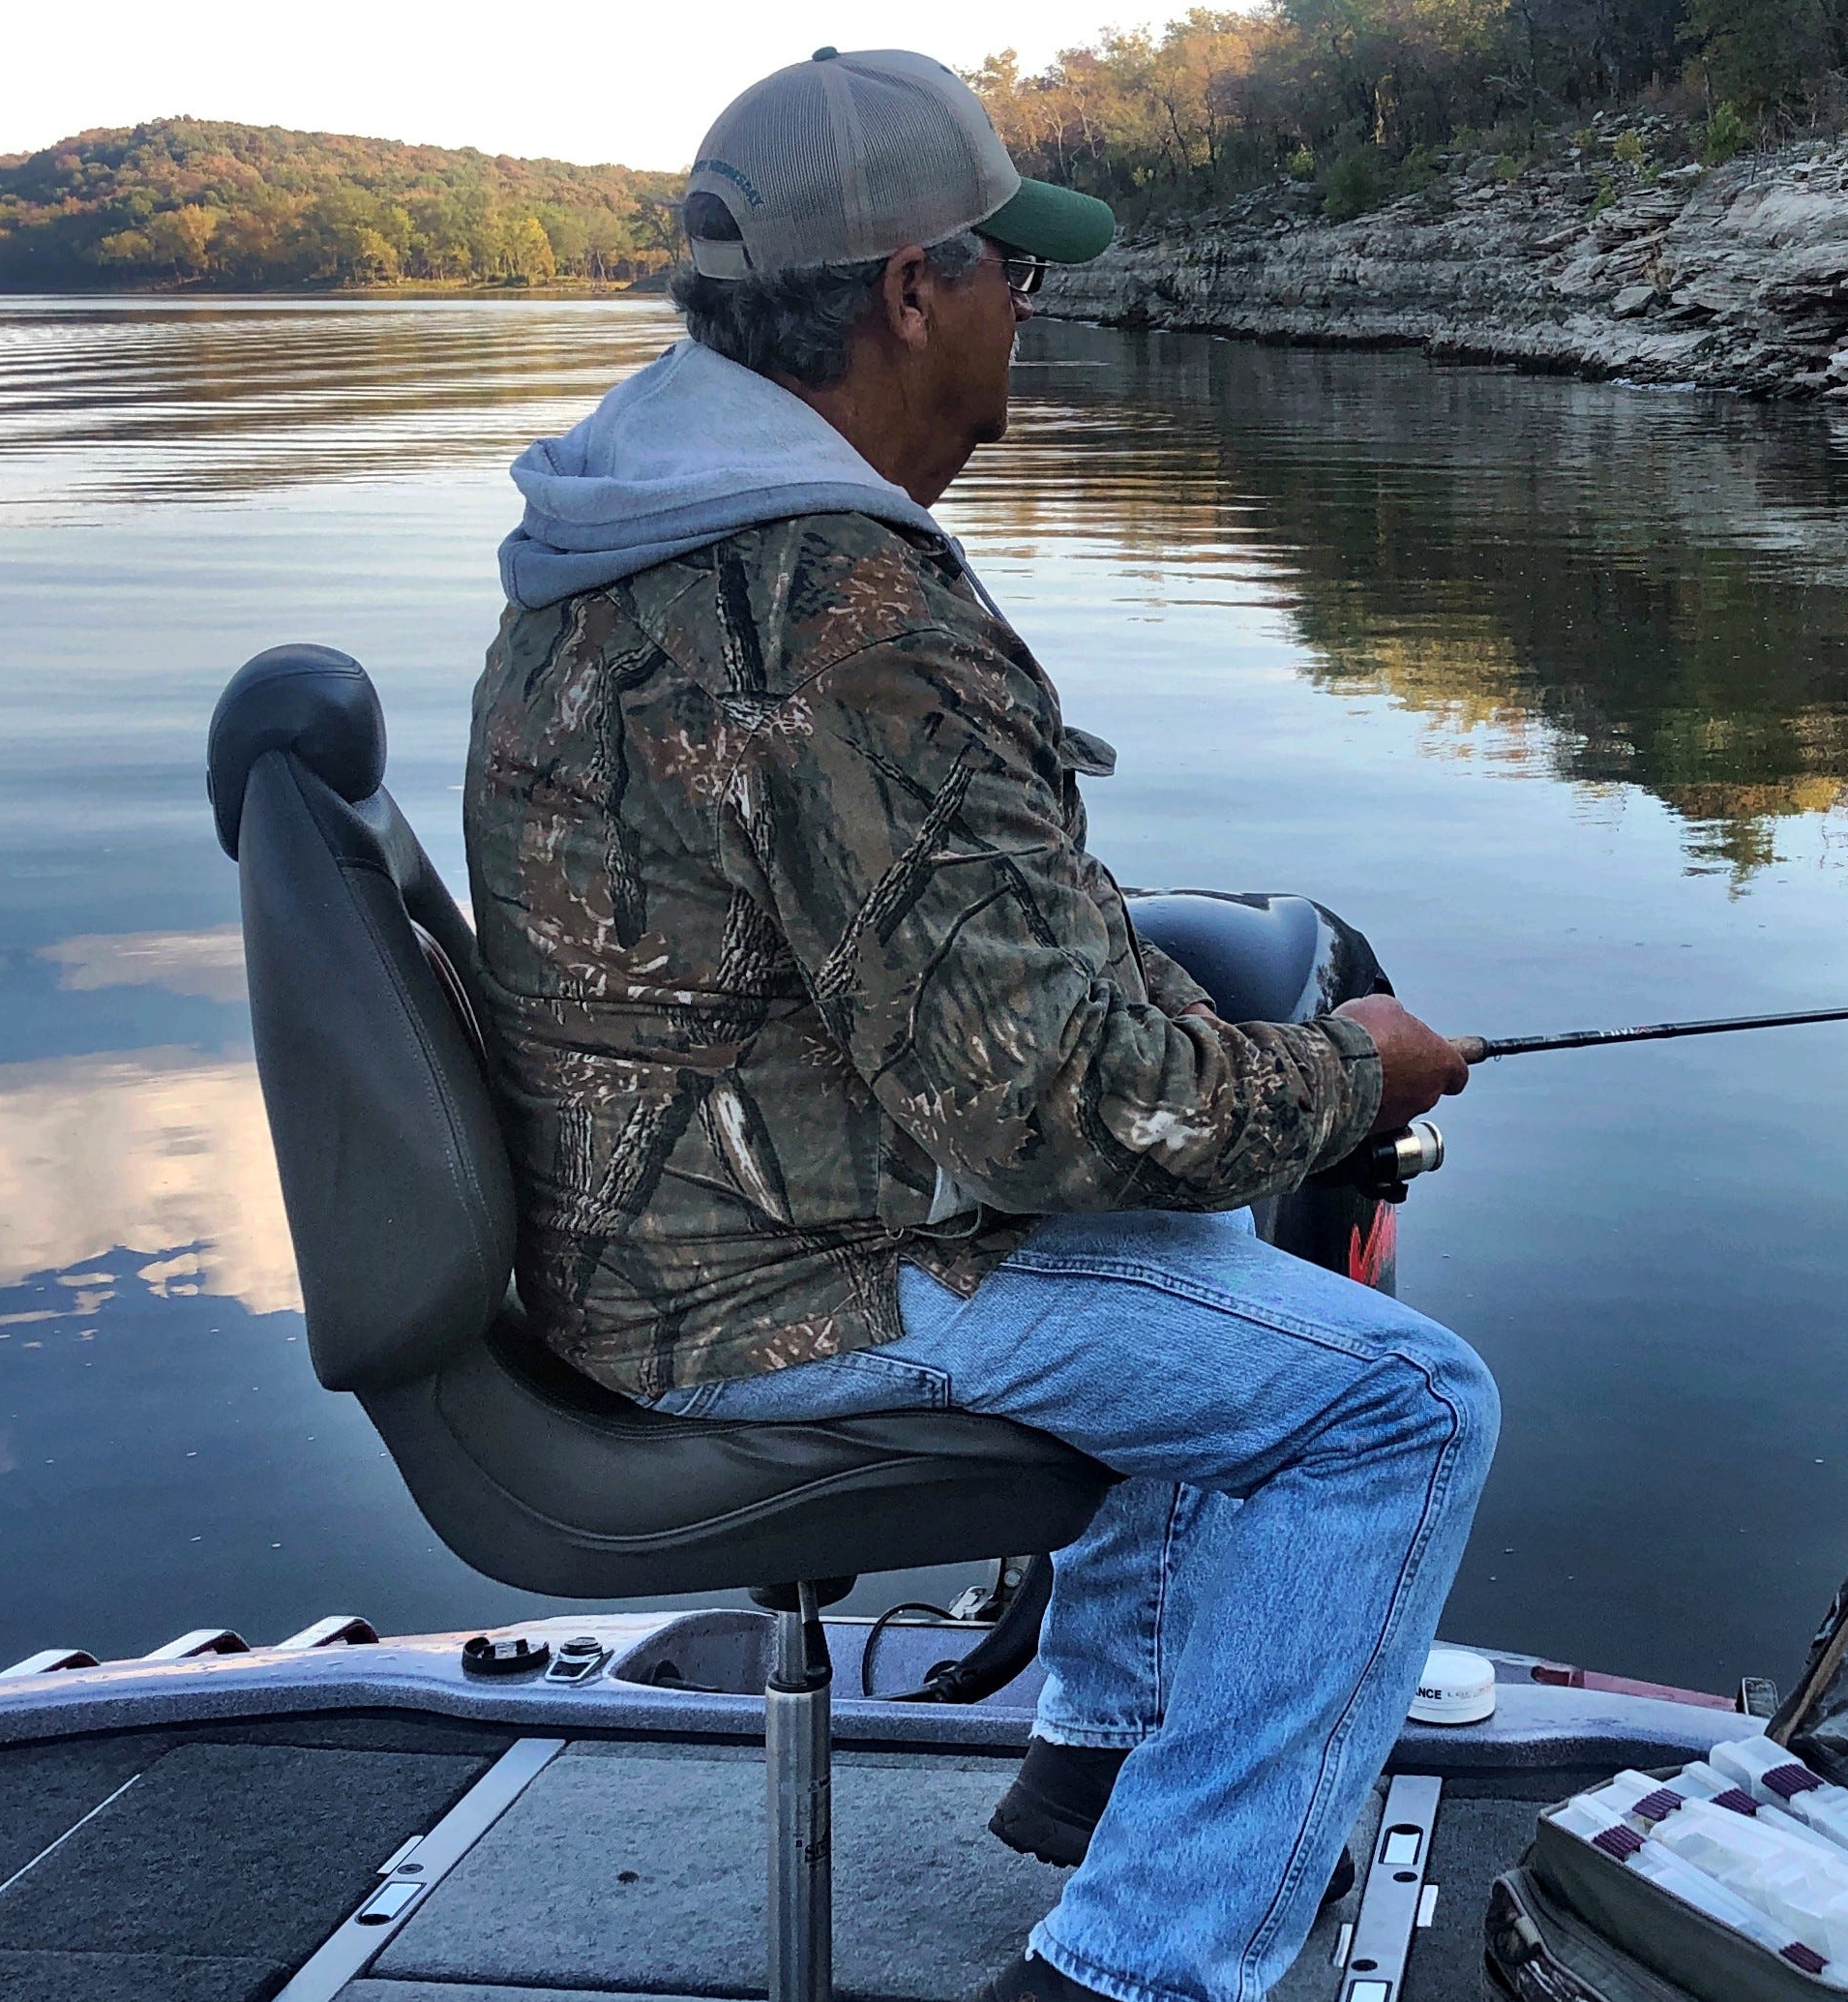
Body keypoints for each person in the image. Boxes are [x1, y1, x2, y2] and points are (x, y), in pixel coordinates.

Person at [459, 46, 1494, 2002]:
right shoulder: (840, 615)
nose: (1038, 297)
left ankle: (1103, 1749)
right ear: (907, 293)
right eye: (1010, 263)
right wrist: (1361, 1070)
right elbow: (1048, 1114)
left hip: (660, 1226)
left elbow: (882, 948)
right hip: (773, 1288)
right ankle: (1141, 1970)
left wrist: (1166, 1021)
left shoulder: (620, 542)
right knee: (1401, 1405)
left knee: (1197, 1218)